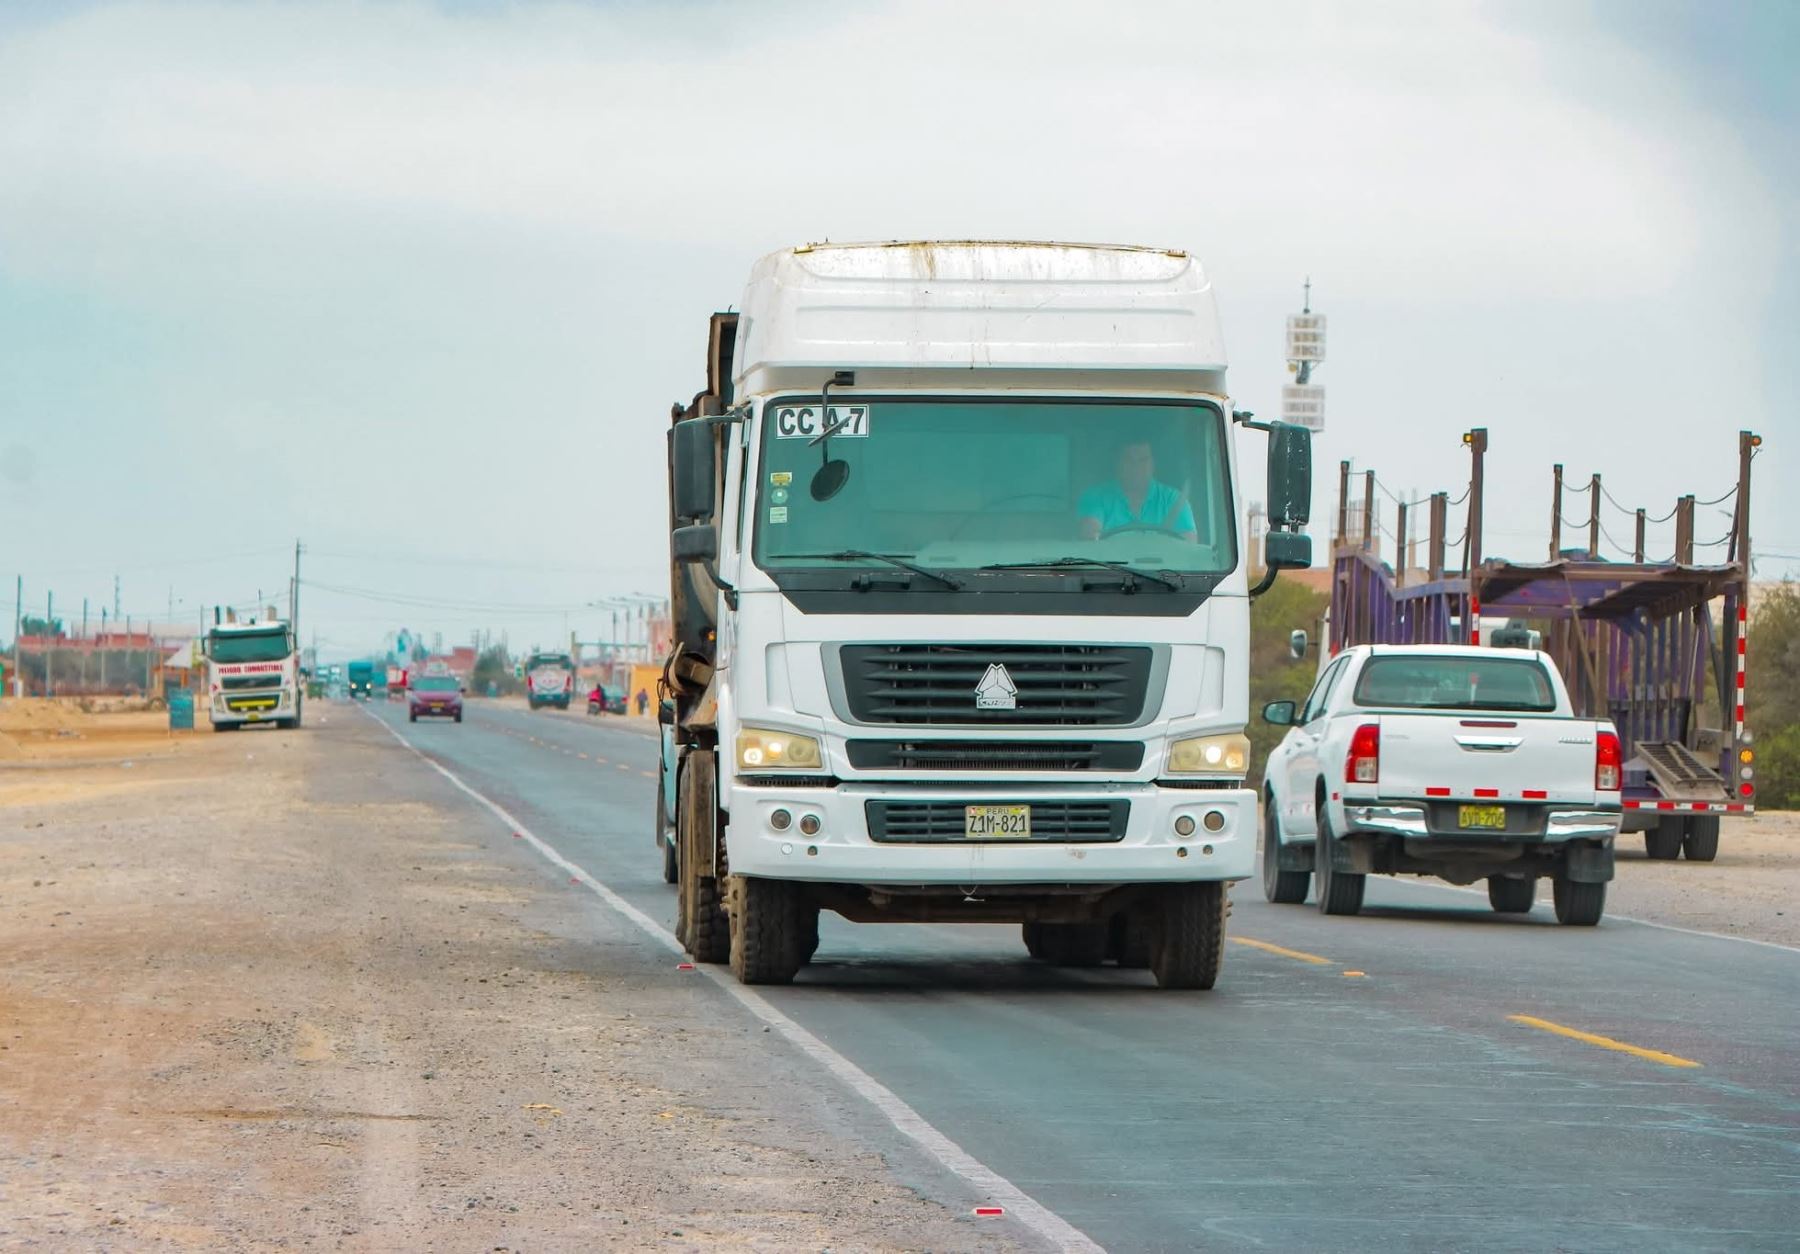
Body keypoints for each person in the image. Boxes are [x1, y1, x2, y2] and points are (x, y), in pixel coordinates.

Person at [1076, 439, 1196, 541]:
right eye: (1129, 460)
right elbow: (1090, 537)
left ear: (1153, 464)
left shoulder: (1174, 500)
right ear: (1118, 463)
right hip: (1107, 569)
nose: (1136, 467)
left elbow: (1189, 548)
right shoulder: (1096, 497)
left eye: (1143, 460)